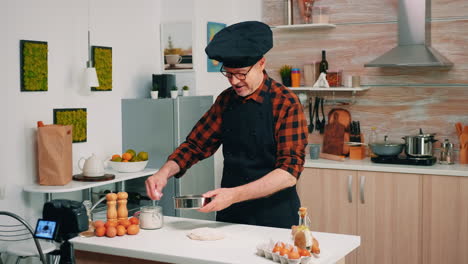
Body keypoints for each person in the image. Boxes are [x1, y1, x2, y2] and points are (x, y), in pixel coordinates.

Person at [145, 21, 308, 228]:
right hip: (231, 214)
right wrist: (164, 172)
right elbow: (195, 145)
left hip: (275, 216)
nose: (234, 82)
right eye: (229, 74)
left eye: (241, 73)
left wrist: (234, 194)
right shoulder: (226, 100)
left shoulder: (285, 103)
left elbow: (288, 173)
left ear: (261, 64)